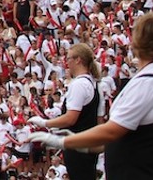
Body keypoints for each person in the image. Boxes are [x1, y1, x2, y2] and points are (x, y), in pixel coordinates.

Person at [31, 12, 153, 180]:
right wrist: (83, 144)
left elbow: (112, 131)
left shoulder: (150, 82)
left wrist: (62, 142)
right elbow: (125, 135)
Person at [30, 42, 103, 180]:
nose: (66, 62)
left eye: (68, 58)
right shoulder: (92, 83)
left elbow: (71, 118)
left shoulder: (79, 84)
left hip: (77, 143)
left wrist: (45, 123)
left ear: (78, 60)